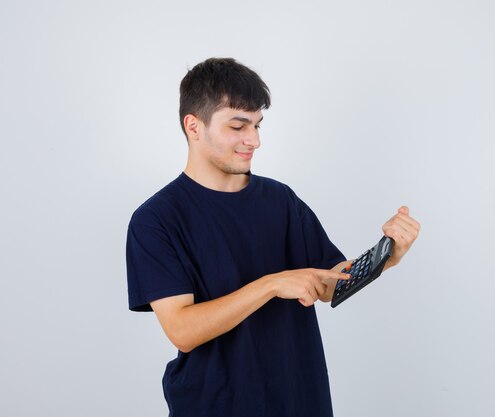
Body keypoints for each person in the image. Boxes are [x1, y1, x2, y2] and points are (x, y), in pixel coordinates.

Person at [126, 57, 420, 417]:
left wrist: (387, 256)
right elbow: (182, 329)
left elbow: (328, 283)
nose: (254, 140)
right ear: (194, 126)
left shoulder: (280, 201)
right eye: (238, 126)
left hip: (299, 400)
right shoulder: (156, 220)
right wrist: (270, 285)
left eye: (257, 125)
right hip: (214, 405)